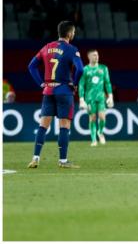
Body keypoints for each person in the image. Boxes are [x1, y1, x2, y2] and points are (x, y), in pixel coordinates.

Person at [27, 21, 84, 169]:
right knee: (64, 126)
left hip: (48, 91)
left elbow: (31, 66)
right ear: (70, 33)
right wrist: (75, 83)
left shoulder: (46, 47)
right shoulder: (72, 49)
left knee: (43, 125)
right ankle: (63, 161)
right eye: (73, 32)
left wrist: (41, 83)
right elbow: (80, 69)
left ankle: (35, 158)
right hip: (64, 91)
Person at [78, 49, 114, 147]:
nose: (96, 57)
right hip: (89, 98)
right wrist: (81, 99)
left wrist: (110, 95)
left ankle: (100, 132)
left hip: (101, 97)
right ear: (89, 57)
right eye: (94, 55)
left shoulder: (103, 68)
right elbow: (81, 85)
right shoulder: (85, 70)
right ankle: (94, 140)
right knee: (92, 118)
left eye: (97, 55)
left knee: (102, 117)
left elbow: (107, 82)